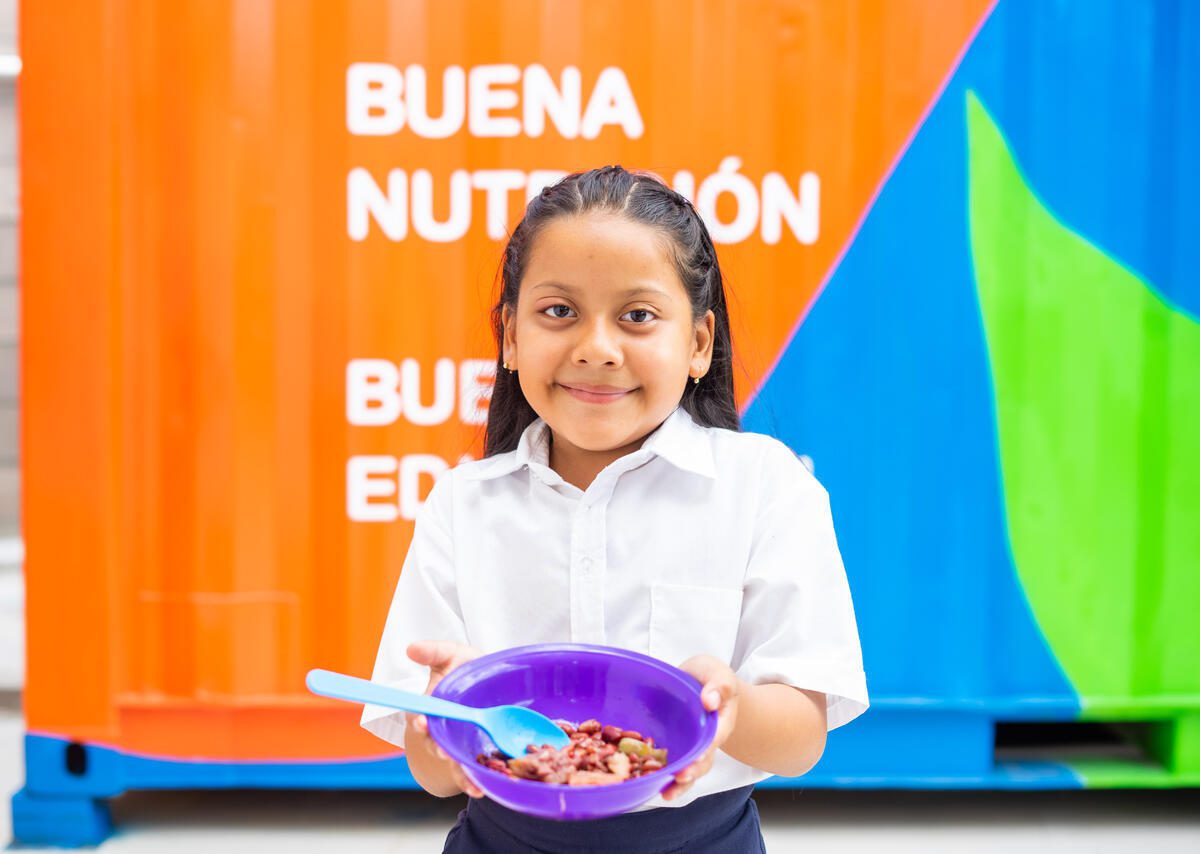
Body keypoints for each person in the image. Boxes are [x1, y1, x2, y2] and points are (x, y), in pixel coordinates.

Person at [361, 165, 868, 852]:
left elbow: (802, 738)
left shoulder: (764, 488)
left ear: (697, 343)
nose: (596, 349)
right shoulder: (464, 504)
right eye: (559, 312)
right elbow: (434, 775)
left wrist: (730, 708)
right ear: (510, 336)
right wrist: (443, 722)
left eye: (637, 316)